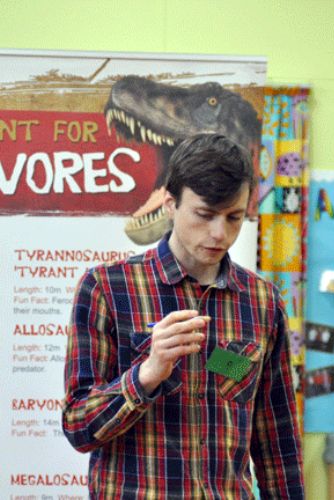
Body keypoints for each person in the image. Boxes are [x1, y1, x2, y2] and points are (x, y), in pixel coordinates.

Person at [62, 133, 304, 499]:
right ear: (170, 204)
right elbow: (78, 427)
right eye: (205, 215)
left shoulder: (262, 302)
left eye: (234, 217)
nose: (220, 233)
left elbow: (278, 441)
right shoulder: (106, 289)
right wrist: (146, 375)